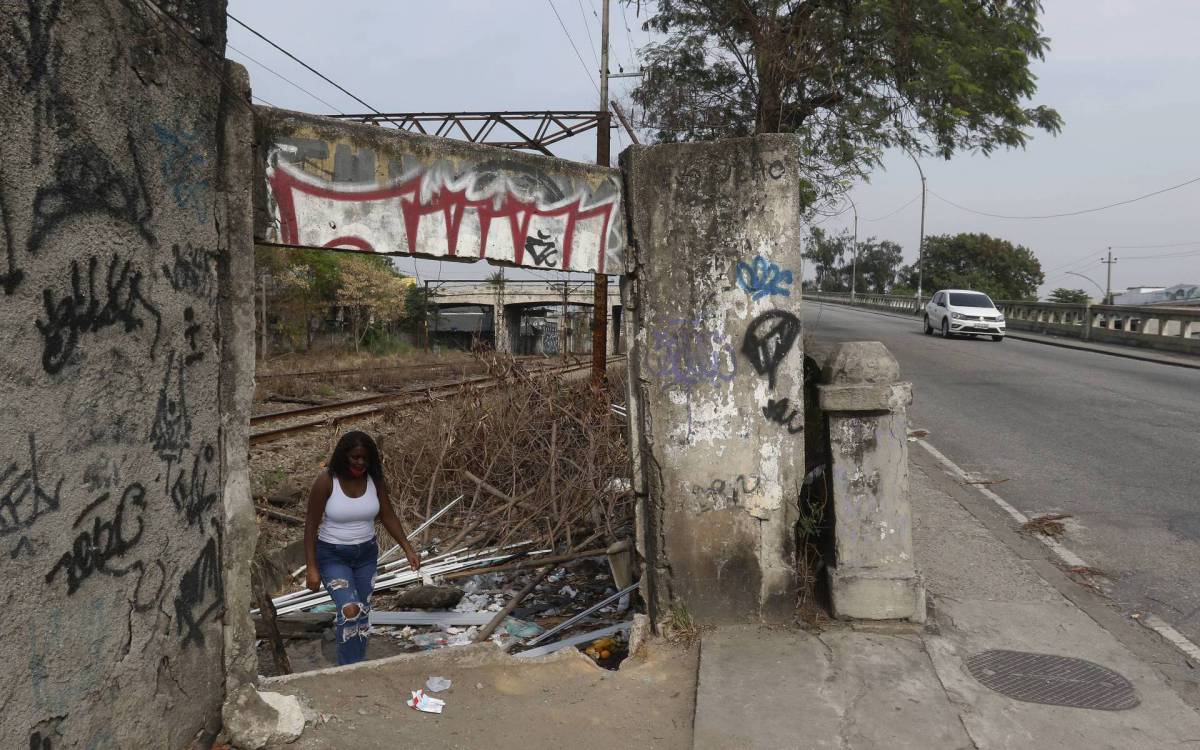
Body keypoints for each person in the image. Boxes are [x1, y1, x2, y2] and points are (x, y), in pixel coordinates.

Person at [304, 430, 421, 665]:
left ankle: (357, 663)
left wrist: (408, 548)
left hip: (366, 555)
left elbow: (388, 515)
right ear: (343, 455)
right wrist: (311, 567)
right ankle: (347, 668)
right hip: (332, 555)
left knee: (363, 612)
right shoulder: (327, 480)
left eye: (365, 458)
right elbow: (310, 526)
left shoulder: (373, 479)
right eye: (355, 457)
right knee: (350, 610)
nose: (360, 463)